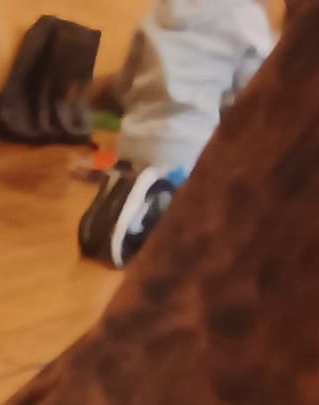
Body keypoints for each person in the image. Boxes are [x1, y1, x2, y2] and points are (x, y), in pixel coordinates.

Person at [79, 0, 277, 266]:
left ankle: (127, 193)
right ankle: (156, 207)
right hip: (190, 150)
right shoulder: (246, 16)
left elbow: (125, 85)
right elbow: (258, 91)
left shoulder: (158, 11)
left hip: (131, 140)